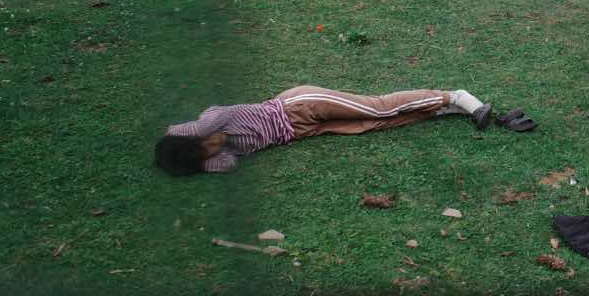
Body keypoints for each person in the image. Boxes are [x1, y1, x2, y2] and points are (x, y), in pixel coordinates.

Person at [153, 84, 523, 176]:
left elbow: (187, 124)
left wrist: (190, 135)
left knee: (377, 106)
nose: (215, 148)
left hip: (299, 105)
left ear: (195, 134)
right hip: (302, 131)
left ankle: (458, 96)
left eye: (206, 144)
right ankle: (448, 112)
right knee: (375, 124)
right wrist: (200, 159)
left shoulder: (212, 120)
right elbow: (228, 165)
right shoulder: (221, 154)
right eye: (208, 153)